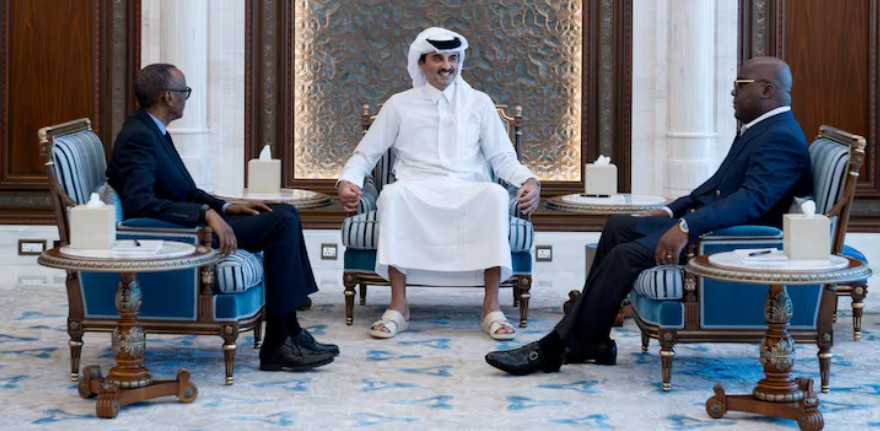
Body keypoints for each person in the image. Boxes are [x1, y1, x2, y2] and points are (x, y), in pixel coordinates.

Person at [485, 56, 812, 375]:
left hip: (735, 244)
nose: (732, 93)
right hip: (716, 228)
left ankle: (555, 347)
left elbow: (750, 202)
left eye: (739, 86)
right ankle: (593, 341)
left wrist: (686, 226)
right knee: (618, 226)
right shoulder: (762, 128)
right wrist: (672, 211)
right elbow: (716, 187)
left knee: (626, 255)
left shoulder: (780, 137)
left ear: (767, 91)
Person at [107, 63, 338, 372]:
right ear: (168, 97)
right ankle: (278, 345)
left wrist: (228, 207)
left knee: (282, 212)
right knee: (283, 221)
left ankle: (290, 331)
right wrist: (206, 214)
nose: (186, 98)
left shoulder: (153, 131)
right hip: (179, 235)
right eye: (184, 91)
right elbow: (140, 203)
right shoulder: (139, 136)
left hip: (191, 224)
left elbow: (185, 190)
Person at [337, 28, 541, 340]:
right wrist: (347, 180)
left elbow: (502, 157)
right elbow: (368, 152)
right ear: (422, 63)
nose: (446, 65)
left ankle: (491, 308)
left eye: (452, 58)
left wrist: (529, 180)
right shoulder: (399, 104)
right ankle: (398, 307)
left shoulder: (479, 103)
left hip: (468, 188)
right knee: (392, 195)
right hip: (416, 188)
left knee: (495, 195)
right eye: (438, 58)